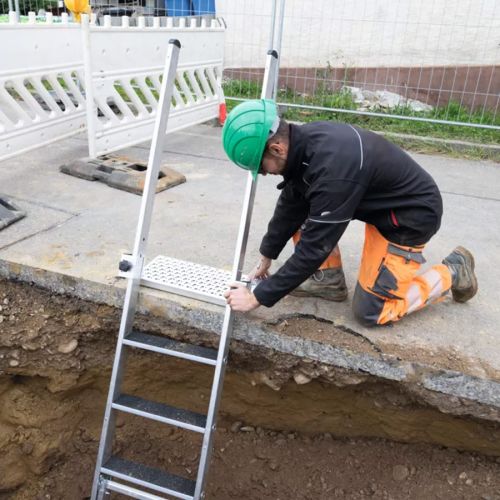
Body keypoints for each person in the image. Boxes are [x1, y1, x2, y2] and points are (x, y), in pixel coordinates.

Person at [222, 99, 478, 326]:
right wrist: (268, 254)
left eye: (261, 166)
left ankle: (453, 271)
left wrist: (257, 297)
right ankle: (328, 280)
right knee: (305, 212)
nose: (264, 173)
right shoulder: (304, 144)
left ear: (277, 148)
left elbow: (315, 248)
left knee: (372, 313)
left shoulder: (332, 172)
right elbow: (292, 202)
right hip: (380, 207)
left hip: (408, 221)